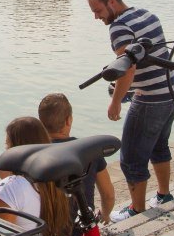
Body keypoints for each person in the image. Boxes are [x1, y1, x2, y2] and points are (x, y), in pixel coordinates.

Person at [85, 0, 174, 223]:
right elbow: (150, 58)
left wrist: (116, 101)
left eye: (98, 11)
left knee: (130, 158)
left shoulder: (118, 28)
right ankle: (163, 195)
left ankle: (137, 210)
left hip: (151, 98)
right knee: (159, 146)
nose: (96, 17)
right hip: (173, 90)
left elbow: (128, 68)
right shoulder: (145, 13)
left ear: (112, 2)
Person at [38, 93, 116, 224]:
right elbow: (108, 195)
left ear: (40, 123)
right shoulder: (90, 150)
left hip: (48, 231)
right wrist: (105, 215)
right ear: (69, 120)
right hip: (82, 227)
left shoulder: (35, 155)